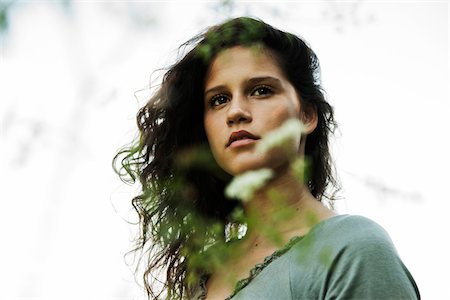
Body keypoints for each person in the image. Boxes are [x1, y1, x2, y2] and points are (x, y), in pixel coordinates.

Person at [115, 17, 420, 299]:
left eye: (261, 90)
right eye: (219, 100)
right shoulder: (205, 279)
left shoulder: (353, 249)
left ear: (306, 115)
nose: (236, 112)